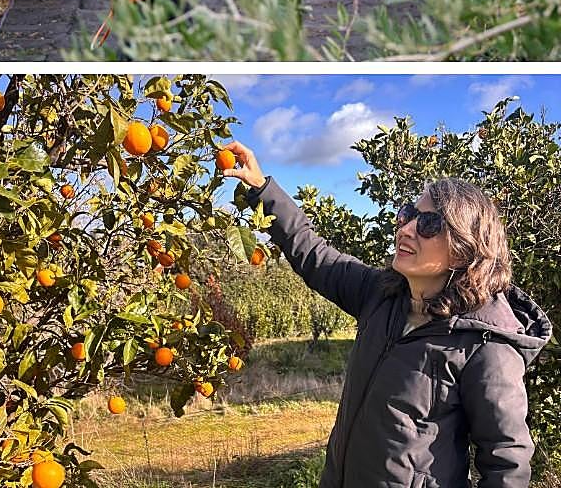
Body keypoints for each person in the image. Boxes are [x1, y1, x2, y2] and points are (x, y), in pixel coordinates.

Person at [220, 140, 552, 487]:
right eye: (409, 214)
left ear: (463, 250)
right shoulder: (381, 295)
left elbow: (507, 463)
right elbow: (313, 253)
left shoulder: (483, 344)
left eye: (429, 224)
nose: (406, 228)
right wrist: (261, 187)